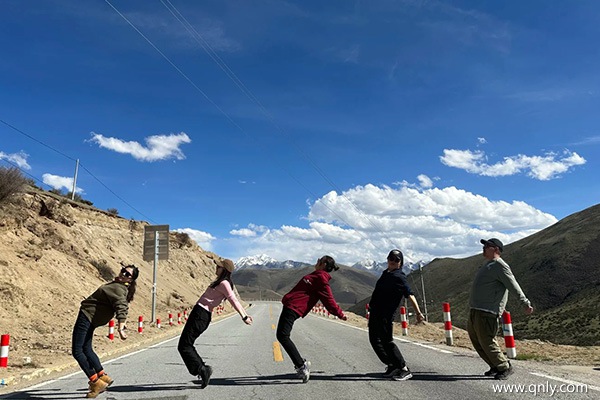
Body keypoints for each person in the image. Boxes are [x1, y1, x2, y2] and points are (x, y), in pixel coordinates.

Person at [178, 258, 253, 388]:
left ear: (223, 270)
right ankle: (201, 369)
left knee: (185, 345)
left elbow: (233, 300)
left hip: (200, 315)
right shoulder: (221, 282)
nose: (216, 268)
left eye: (218, 267)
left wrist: (244, 316)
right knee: (185, 344)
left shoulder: (224, 283)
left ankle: (202, 369)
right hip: (199, 313)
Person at [468, 238, 534, 380]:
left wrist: (525, 302)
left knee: (487, 340)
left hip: (488, 311)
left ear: (496, 249)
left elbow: (513, 285)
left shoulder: (500, 265)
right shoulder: (488, 265)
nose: (484, 248)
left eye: (487, 246)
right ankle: (495, 365)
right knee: (477, 341)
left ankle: (504, 366)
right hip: (476, 310)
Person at [276, 255, 347, 383]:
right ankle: (300, 364)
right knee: (282, 335)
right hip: (291, 306)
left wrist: (339, 313)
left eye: (319, 260)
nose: (317, 261)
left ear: (324, 265)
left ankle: (301, 365)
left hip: (294, 308)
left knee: (282, 335)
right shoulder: (317, 275)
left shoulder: (321, 278)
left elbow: (328, 299)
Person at [72, 264, 139, 398]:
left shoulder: (118, 288)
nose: (123, 274)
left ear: (130, 280)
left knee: (77, 351)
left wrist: (120, 327)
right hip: (92, 317)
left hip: (87, 315)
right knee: (87, 348)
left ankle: (95, 382)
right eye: (123, 271)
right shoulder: (119, 286)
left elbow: (122, 307)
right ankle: (102, 375)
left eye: (127, 274)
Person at [368, 249, 424, 381]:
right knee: (374, 340)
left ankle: (403, 368)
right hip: (376, 313)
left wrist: (418, 312)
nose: (392, 262)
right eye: (390, 258)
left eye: (396, 260)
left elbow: (410, 295)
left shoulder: (399, 277)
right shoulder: (386, 273)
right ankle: (392, 365)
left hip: (385, 315)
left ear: (400, 263)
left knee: (386, 341)